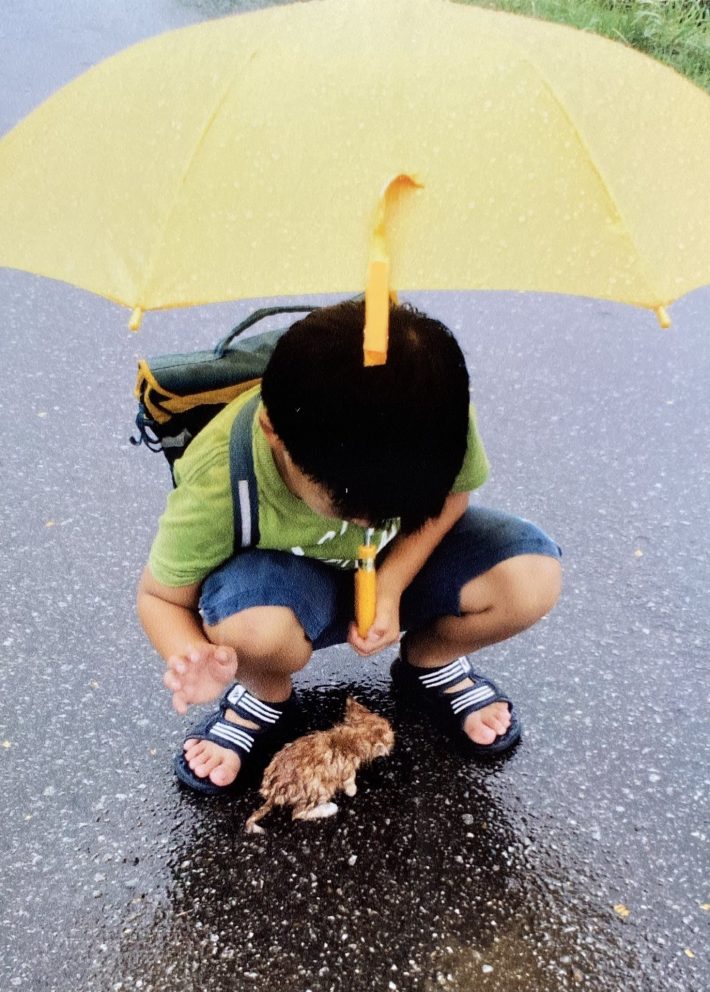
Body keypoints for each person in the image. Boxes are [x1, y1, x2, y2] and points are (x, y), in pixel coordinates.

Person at [137, 299, 562, 794]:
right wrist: (192, 654)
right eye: (349, 506)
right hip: (286, 585)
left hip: (400, 561)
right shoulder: (218, 480)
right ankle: (263, 694)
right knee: (246, 627)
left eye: (403, 502)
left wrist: (391, 584)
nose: (376, 520)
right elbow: (160, 597)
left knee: (531, 579)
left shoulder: (433, 408)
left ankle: (431, 659)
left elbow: (454, 493)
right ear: (273, 430)